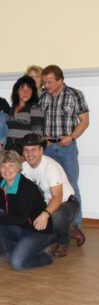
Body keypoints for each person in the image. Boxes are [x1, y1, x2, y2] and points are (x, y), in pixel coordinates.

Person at [0, 150, 53, 271]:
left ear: (18, 167)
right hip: (18, 227)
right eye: (3, 165)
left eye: (11, 165)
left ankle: (44, 255)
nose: (7, 169)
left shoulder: (27, 187)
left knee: (17, 264)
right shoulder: (0, 184)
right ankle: (5, 252)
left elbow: (21, 218)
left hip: (36, 230)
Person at [40, 65, 89, 229]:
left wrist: (72, 137)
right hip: (47, 148)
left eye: (50, 82)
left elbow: (84, 121)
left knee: (72, 187)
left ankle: (75, 226)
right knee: (49, 187)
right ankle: (54, 225)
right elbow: (37, 121)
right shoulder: (43, 97)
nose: (46, 85)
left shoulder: (75, 94)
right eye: (44, 82)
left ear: (61, 80)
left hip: (66, 147)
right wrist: (42, 139)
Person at [21, 133, 84, 256]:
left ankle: (63, 241)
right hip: (45, 204)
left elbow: (57, 198)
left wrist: (44, 215)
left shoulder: (50, 167)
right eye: (26, 150)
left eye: (33, 149)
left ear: (41, 150)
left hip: (67, 203)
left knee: (57, 216)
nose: (29, 153)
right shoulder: (23, 168)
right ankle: (69, 229)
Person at [5, 75, 43, 154]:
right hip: (10, 150)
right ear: (17, 91)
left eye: (29, 89)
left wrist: (27, 154)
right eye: (22, 89)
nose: (25, 92)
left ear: (33, 92)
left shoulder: (35, 108)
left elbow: (37, 135)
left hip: (24, 151)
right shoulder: (12, 108)